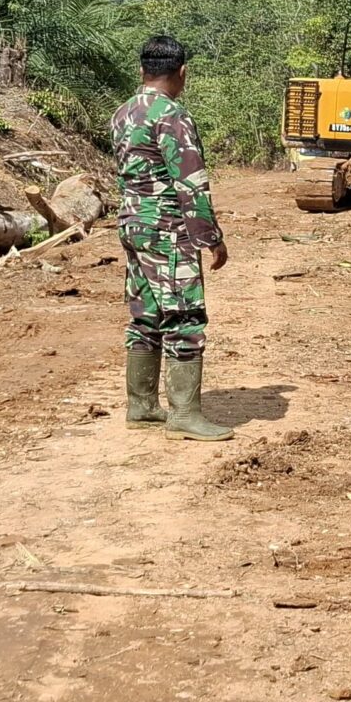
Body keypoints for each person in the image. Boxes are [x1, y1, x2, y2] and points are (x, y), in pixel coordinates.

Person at [109, 36, 232, 440]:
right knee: (183, 316)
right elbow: (190, 182)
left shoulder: (123, 113)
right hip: (167, 231)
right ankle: (184, 415)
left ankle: (141, 406)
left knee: (145, 314)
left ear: (142, 69)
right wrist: (210, 237)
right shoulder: (171, 116)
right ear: (182, 72)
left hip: (133, 225)